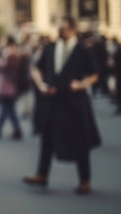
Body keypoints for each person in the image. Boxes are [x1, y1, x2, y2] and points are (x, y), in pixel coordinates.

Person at [24, 16, 100, 195]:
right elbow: (36, 68)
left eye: (63, 28)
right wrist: (41, 84)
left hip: (75, 102)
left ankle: (84, 180)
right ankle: (42, 174)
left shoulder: (82, 50)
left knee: (80, 140)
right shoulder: (50, 47)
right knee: (47, 138)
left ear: (73, 29)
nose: (60, 32)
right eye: (58, 28)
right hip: (52, 100)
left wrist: (81, 85)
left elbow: (95, 74)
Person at [0, 36, 26, 140]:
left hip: (8, 86)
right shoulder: (11, 52)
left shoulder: (12, 53)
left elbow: (3, 66)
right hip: (8, 86)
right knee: (9, 109)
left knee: (5, 108)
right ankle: (16, 130)